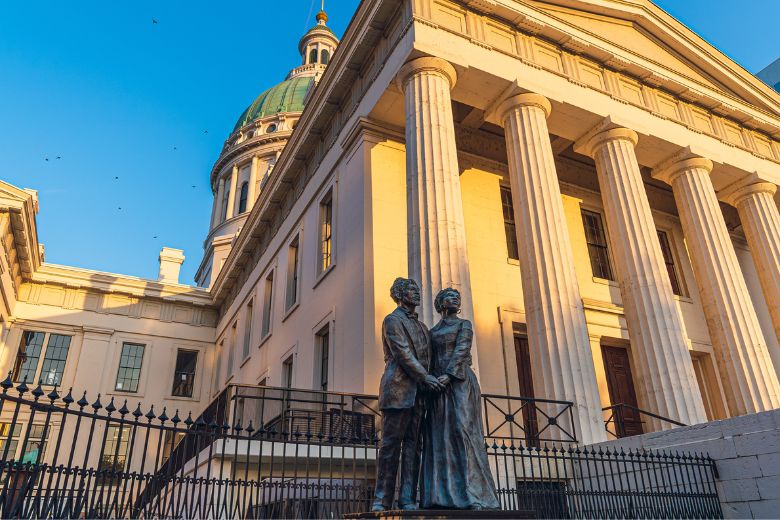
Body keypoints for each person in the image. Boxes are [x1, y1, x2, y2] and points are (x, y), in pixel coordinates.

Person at [420, 287, 500, 510]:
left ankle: (473, 494)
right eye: (450, 296)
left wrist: (449, 375)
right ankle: (440, 495)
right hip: (437, 388)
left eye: (457, 297)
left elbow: (462, 350)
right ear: (440, 303)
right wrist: (430, 380)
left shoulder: (464, 325)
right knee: (439, 437)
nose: (455, 299)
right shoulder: (432, 331)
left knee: (463, 430)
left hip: (460, 382)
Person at [371, 278, 445, 512]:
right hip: (398, 389)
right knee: (391, 446)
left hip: (419, 394)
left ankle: (407, 499)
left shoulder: (423, 327)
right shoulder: (392, 320)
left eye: (417, 289)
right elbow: (402, 353)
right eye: (412, 290)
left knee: (414, 446)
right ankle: (382, 499)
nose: (417, 293)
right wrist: (425, 377)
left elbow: (429, 357)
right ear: (400, 294)